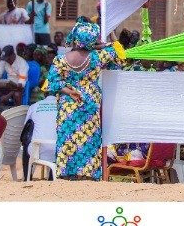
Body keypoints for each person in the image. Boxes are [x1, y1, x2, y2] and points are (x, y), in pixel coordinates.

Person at [45, 18, 125, 179]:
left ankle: (67, 172)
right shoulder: (98, 57)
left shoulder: (61, 59)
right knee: (89, 138)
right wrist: (110, 38)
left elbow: (52, 83)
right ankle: (88, 173)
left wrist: (69, 91)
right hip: (90, 103)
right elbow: (121, 57)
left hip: (68, 105)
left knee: (68, 137)